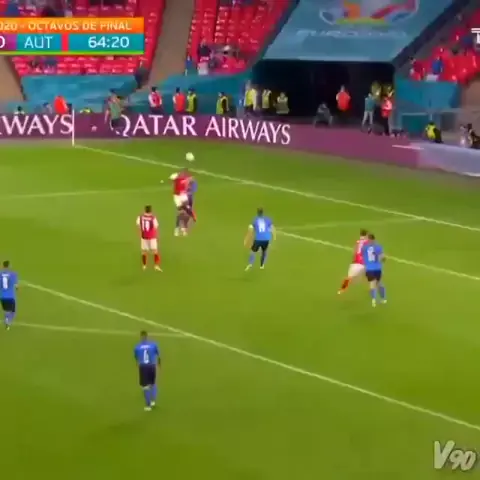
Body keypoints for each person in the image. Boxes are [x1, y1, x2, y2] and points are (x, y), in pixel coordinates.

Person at [133, 331, 161, 411]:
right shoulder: (153, 344)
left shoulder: (137, 347)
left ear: (141, 337)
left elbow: (136, 357)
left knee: (145, 387)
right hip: (152, 366)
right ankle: (153, 401)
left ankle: (148, 405)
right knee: (153, 383)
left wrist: (137, 364)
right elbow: (158, 355)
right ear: (147, 336)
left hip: (143, 367)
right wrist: (159, 364)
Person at [338, 229, 368, 295]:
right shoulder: (368, 242)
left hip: (356, 263)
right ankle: (372, 288)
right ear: (366, 235)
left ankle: (341, 290)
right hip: (364, 263)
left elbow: (355, 252)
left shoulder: (358, 242)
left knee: (349, 278)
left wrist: (354, 260)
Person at [361, 234, 387, 307]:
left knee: (372, 284)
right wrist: (380, 258)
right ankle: (383, 299)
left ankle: (374, 300)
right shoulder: (378, 247)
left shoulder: (364, 248)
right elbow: (383, 258)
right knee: (379, 283)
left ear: (369, 239)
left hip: (369, 269)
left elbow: (363, 257)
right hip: (378, 268)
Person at [170, 168, 195, 236]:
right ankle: (177, 228)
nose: (182, 174)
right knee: (180, 213)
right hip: (177, 197)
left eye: (184, 173)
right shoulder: (176, 177)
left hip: (183, 196)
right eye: (182, 173)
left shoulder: (186, 178)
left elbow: (191, 180)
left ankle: (184, 228)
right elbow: (171, 180)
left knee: (186, 212)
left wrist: (190, 181)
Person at [136, 205, 162, 271]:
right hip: (152, 237)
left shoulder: (140, 217)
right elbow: (155, 227)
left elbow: (138, 225)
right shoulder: (153, 218)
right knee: (155, 251)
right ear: (151, 211)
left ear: (145, 210)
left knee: (144, 251)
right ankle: (156, 266)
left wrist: (142, 231)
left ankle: (144, 265)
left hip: (144, 236)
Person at [0, 260, 18, 331]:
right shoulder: (13, 274)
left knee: (6, 310)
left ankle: (6, 320)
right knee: (13, 312)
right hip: (11, 296)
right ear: (9, 266)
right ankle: (8, 322)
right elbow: (16, 286)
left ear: (3, 266)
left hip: (2, 297)